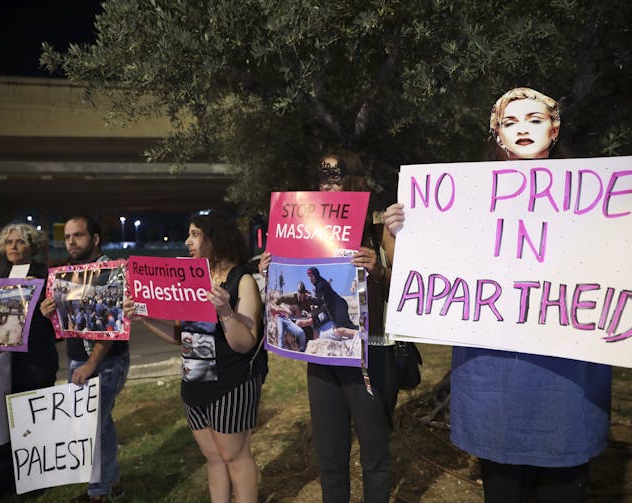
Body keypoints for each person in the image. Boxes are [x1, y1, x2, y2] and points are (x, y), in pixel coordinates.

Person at [383, 87, 632, 502]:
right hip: (493, 387)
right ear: (496, 135)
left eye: (535, 120)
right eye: (509, 122)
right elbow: (407, 266)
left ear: (554, 130)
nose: (522, 129)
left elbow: (622, 255)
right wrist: (398, 229)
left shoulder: (596, 196)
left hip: (567, 389)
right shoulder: (462, 198)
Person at [258, 154, 397, 503]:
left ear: (355, 181)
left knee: (374, 454)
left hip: (370, 357)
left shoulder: (381, 233)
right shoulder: (306, 233)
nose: (327, 184)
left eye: (336, 176)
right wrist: (270, 270)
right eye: (322, 177)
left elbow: (409, 291)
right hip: (323, 362)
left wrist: (378, 270)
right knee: (330, 455)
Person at [124, 210, 267, 503]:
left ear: (215, 238)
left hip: (232, 383)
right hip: (194, 382)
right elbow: (181, 337)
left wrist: (225, 312)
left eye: (195, 234)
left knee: (235, 457)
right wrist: (145, 318)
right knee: (214, 459)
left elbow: (244, 344)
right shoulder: (190, 278)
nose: (187, 241)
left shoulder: (242, 281)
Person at [39, 216, 129, 503]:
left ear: (95, 238)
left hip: (105, 361)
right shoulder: (65, 275)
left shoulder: (113, 273)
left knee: (89, 427)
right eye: (67, 237)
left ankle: (98, 494)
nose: (71, 242)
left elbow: (112, 325)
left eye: (78, 235)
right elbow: (67, 326)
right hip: (79, 360)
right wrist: (49, 312)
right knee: (100, 424)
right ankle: (111, 482)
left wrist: (91, 365)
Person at [0, 222, 59, 499]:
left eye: (19, 241)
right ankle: (6, 478)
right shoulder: (1, 277)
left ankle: (36, 479)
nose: (13, 247)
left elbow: (61, 323)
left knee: (33, 421)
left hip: (37, 360)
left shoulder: (46, 277)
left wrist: (47, 312)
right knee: (6, 421)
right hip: (7, 363)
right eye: (9, 243)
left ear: (32, 246)